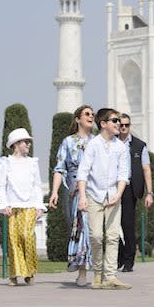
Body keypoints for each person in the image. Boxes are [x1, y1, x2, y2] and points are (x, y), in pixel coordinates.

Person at [77, 108, 131, 290]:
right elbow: (83, 172)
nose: (119, 124)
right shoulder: (93, 145)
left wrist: (118, 194)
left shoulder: (121, 147)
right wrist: (82, 197)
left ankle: (110, 276)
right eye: (115, 121)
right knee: (96, 236)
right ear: (103, 124)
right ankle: (98, 271)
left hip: (114, 196)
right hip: (94, 195)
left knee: (113, 236)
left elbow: (124, 174)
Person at [48, 105, 95, 286]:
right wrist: (54, 192)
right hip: (76, 191)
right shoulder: (68, 142)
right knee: (81, 227)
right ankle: (81, 268)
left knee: (95, 230)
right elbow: (60, 169)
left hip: (95, 188)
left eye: (93, 114)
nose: (91, 117)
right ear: (77, 119)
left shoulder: (97, 142)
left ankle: (91, 268)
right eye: (87, 114)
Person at [0, 128, 43, 286]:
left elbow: (37, 186)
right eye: (25, 142)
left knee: (27, 236)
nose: (28, 144)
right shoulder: (6, 163)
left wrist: (39, 206)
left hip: (29, 206)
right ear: (16, 144)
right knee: (14, 240)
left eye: (29, 142)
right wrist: (5, 204)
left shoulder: (32, 163)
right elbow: (1, 186)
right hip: (13, 207)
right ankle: (14, 274)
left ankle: (29, 271)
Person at [116, 113, 153, 273]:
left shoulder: (139, 145)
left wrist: (150, 193)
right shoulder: (111, 142)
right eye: (121, 125)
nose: (123, 128)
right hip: (113, 187)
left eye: (126, 125)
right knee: (108, 224)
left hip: (130, 189)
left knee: (127, 225)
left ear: (130, 126)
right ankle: (120, 255)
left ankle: (129, 261)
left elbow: (146, 169)